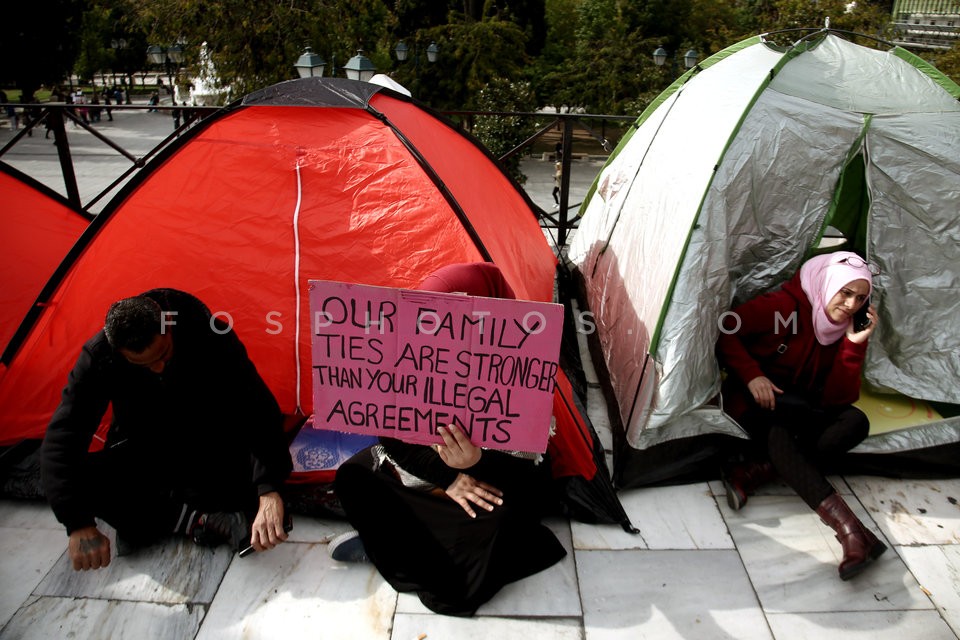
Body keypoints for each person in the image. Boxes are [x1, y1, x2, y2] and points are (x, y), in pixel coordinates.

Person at [331, 263, 566, 617]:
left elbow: (526, 480)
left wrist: (475, 463)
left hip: (485, 498)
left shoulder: (522, 374)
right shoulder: (415, 351)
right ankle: (404, 543)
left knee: (456, 589)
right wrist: (450, 477)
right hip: (435, 484)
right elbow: (391, 436)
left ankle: (396, 544)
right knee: (352, 477)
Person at [41, 288, 293, 571]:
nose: (158, 367)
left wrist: (270, 489)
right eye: (144, 364)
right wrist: (77, 524)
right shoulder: (100, 357)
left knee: (250, 468)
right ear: (120, 353)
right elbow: (62, 440)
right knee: (81, 481)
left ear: (168, 328)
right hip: (149, 452)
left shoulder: (211, 335)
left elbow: (257, 410)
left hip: (212, 448)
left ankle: (165, 520)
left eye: (163, 354)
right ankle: (200, 522)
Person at [716, 250, 886, 580]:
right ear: (826, 283)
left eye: (860, 298)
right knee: (778, 433)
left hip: (800, 406)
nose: (851, 305)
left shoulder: (845, 326)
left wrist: (854, 344)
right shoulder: (783, 307)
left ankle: (755, 472)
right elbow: (726, 330)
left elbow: (838, 398)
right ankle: (851, 531)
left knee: (855, 421)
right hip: (756, 401)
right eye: (845, 293)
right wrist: (752, 375)